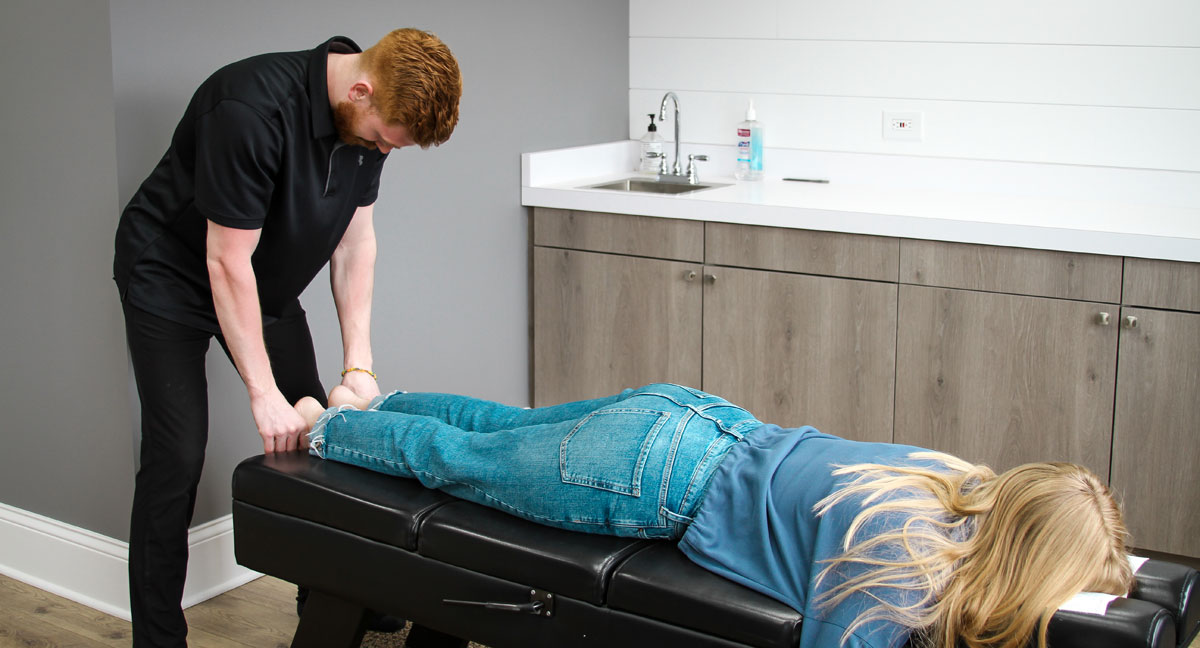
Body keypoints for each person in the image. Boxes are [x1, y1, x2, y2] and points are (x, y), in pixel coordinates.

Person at [294, 383, 1135, 648]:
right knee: (462, 466)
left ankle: (382, 397)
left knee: (507, 429)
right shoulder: (902, 559)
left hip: (692, 414)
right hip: (645, 477)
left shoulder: (948, 481)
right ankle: (323, 427)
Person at [113, 29, 463, 647]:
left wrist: (361, 366)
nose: (383, 150)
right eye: (384, 138)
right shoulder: (247, 109)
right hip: (170, 276)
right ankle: (158, 637)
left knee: (324, 437)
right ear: (360, 90)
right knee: (178, 455)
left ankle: (333, 597)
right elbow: (225, 262)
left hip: (262, 281)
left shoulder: (368, 117)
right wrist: (261, 391)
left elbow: (356, 243)